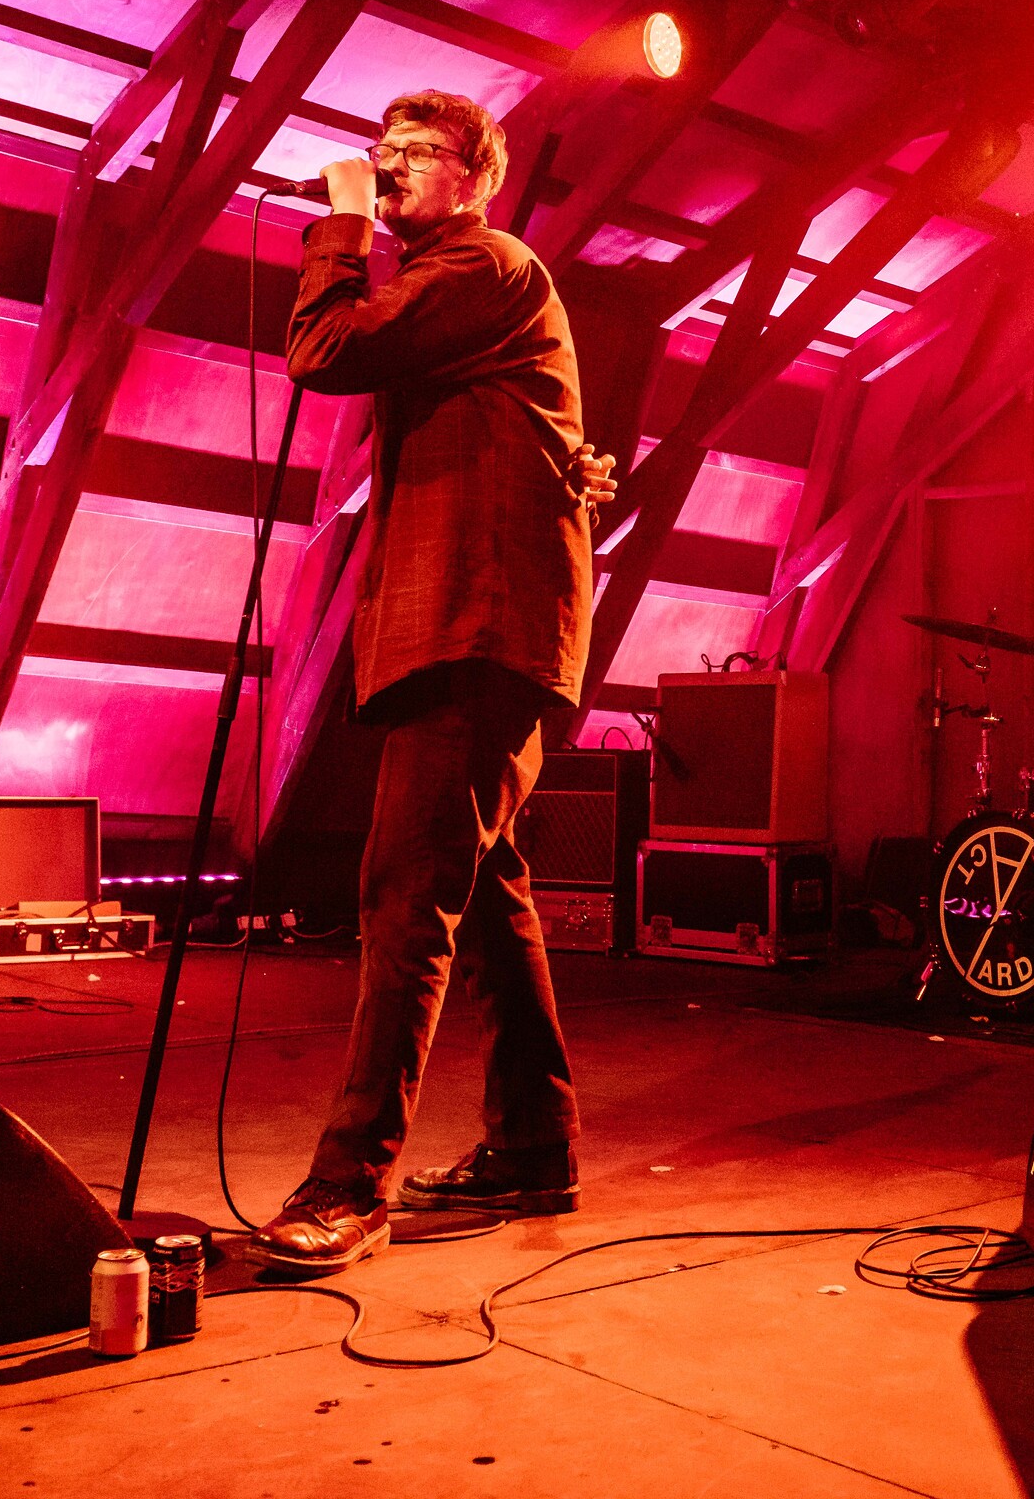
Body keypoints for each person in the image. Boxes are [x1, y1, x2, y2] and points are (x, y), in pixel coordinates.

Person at [249, 89, 607, 1275]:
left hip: (478, 626)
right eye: (381, 148)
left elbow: (328, 353)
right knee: (487, 895)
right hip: (466, 623)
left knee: (405, 896)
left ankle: (351, 1183)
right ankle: (534, 1145)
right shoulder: (455, 291)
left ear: (474, 175)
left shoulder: (487, 264)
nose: (388, 162)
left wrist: (340, 228)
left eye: (415, 150)